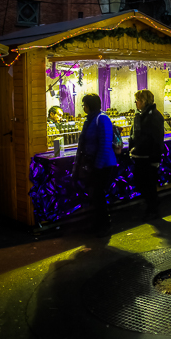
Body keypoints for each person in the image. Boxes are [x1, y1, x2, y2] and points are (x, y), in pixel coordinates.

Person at [73, 93, 117, 236]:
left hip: (103, 165)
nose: (83, 107)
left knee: (98, 195)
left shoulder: (101, 119)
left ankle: (104, 225)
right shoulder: (90, 120)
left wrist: (97, 166)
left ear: (89, 105)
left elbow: (105, 145)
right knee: (95, 195)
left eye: (84, 104)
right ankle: (99, 223)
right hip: (94, 164)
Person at [129, 89, 165, 220]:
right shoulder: (141, 115)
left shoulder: (154, 116)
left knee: (148, 184)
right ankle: (151, 206)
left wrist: (155, 159)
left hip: (148, 156)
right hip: (140, 156)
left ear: (144, 101)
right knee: (143, 183)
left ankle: (153, 209)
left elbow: (156, 139)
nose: (136, 103)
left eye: (137, 100)